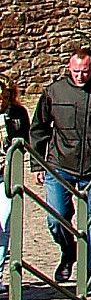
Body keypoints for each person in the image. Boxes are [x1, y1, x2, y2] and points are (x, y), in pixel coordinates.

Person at [29, 47, 91, 287]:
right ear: (69, 68)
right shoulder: (54, 92)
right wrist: (37, 163)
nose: (80, 76)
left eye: (85, 71)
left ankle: (90, 274)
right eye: (75, 71)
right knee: (57, 219)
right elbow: (39, 128)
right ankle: (69, 251)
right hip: (59, 165)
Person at [0, 77, 26, 269]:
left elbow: (26, 140)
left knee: (4, 220)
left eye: (5, 97)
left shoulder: (17, 113)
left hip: (6, 175)